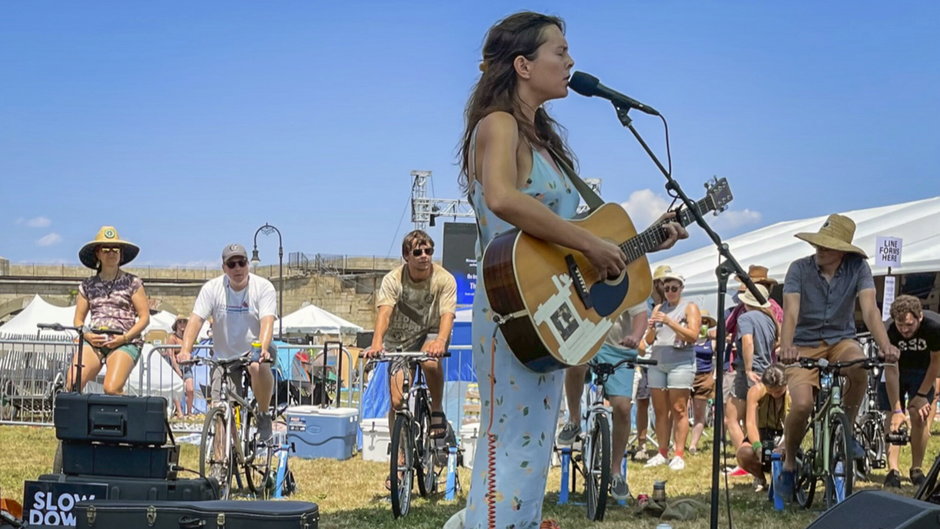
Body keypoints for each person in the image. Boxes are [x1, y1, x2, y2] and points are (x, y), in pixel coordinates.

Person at [449, 11, 686, 529]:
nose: (571, 61)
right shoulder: (498, 124)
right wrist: (586, 241)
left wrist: (640, 238)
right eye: (560, 50)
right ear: (523, 65)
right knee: (509, 443)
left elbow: (559, 235)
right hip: (512, 308)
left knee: (529, 450)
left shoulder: (541, 138)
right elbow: (503, 199)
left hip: (546, 312)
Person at [775, 214, 900, 499]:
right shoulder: (799, 269)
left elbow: (870, 310)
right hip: (803, 344)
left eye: (827, 246)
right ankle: (790, 461)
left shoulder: (858, 268)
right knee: (803, 404)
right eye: (818, 244)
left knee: (860, 368)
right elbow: (790, 312)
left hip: (841, 339)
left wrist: (885, 345)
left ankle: (847, 431)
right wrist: (786, 346)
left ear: (843, 251)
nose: (820, 250)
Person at [361, 229, 456, 487]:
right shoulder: (393, 280)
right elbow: (384, 313)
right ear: (406, 256)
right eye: (418, 252)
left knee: (429, 360)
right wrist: (377, 343)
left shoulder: (444, 279)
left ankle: (436, 410)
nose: (424, 256)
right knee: (396, 401)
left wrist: (439, 342)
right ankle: (401, 456)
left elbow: (447, 315)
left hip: (432, 330)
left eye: (428, 251)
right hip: (399, 337)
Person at [178, 243, 278, 442]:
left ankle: (264, 414)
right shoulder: (212, 288)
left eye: (241, 262)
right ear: (224, 268)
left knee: (257, 367)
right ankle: (223, 459)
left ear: (248, 264)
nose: (237, 268)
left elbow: (267, 321)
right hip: (224, 355)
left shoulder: (263, 287)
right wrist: (185, 350)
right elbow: (196, 320)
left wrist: (263, 348)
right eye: (231, 264)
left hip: (255, 349)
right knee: (220, 407)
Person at [556, 303, 647, 501]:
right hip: (588, 340)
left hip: (619, 349)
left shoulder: (632, 278)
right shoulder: (588, 274)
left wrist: (636, 337)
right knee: (575, 365)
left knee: (623, 408)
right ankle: (574, 420)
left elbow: (640, 314)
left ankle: (616, 473)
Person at [69, 226, 150, 394]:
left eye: (116, 249)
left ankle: (126, 417)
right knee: (71, 384)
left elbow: (144, 318)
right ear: (98, 253)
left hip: (125, 341)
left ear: (121, 254)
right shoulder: (87, 285)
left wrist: (125, 338)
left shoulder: (133, 282)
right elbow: (78, 320)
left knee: (111, 388)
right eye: (106, 249)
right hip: (95, 340)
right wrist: (87, 335)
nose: (111, 253)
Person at [643, 270, 701, 471]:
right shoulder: (659, 307)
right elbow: (650, 340)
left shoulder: (689, 307)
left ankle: (678, 453)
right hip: (658, 360)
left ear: (681, 288)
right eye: (666, 288)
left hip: (680, 361)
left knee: (679, 409)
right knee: (659, 410)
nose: (670, 292)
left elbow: (693, 336)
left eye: (674, 288)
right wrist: (651, 328)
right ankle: (661, 451)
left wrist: (670, 322)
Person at [881, 295, 940, 488]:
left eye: (909, 324)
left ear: (919, 317)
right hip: (896, 371)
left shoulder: (933, 329)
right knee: (892, 419)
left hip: (923, 371)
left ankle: (916, 468)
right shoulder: (888, 331)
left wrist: (922, 395)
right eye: (901, 325)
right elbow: (891, 369)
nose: (905, 330)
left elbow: (936, 363)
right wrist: (897, 410)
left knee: (918, 415)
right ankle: (893, 470)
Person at [724, 284, 779, 452]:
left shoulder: (745, 318)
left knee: (732, 418)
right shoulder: (770, 319)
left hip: (748, 371)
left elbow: (747, 341)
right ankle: (760, 454)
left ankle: (747, 456)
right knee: (756, 419)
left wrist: (748, 369)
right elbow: (777, 342)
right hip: (767, 369)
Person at [633, 265, 672, 461]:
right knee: (642, 402)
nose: (667, 287)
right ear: (656, 283)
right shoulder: (644, 303)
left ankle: (664, 444)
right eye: (664, 282)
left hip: (664, 357)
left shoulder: (672, 304)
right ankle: (642, 444)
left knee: (665, 405)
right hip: (644, 359)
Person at [735, 364, 788, 491]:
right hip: (765, 435)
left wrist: (783, 446)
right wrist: (758, 447)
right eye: (771, 391)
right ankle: (760, 477)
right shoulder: (756, 391)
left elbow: (793, 426)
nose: (775, 395)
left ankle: (785, 477)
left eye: (779, 391)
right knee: (744, 453)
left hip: (784, 436)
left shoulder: (792, 393)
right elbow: (751, 424)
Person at [688, 310, 717, 455]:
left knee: (699, 414)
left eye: (705, 323)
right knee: (680, 411)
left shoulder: (711, 341)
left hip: (704, 377)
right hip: (687, 375)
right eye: (700, 322)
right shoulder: (688, 338)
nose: (702, 325)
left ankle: (693, 445)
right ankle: (676, 444)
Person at [167, 315, 195, 418]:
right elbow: (171, 355)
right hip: (176, 366)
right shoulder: (172, 338)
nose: (182, 324)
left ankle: (189, 411)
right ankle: (179, 411)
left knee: (190, 389)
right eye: (180, 322)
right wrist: (177, 369)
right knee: (177, 389)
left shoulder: (188, 338)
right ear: (176, 324)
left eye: (184, 321)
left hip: (187, 365)